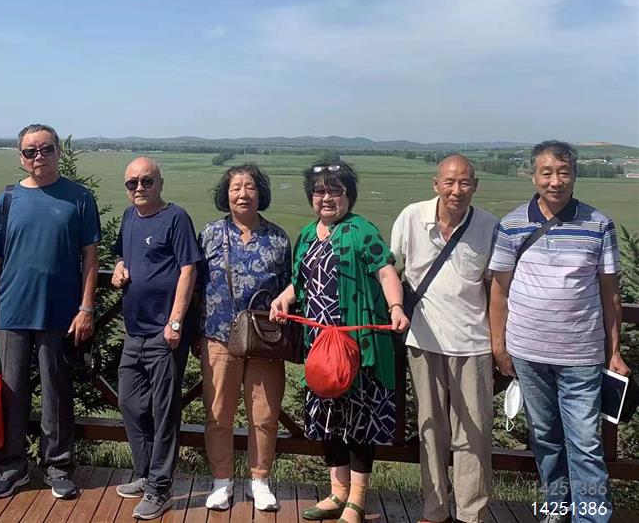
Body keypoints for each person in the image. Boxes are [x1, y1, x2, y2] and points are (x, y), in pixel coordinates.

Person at [489, 141, 627, 523]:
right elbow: (499, 291)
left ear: (574, 175)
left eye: (563, 172)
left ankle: (591, 517)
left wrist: (613, 351)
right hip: (527, 353)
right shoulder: (511, 224)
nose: (555, 181)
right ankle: (556, 506)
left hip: (582, 355)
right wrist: (499, 345)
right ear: (533, 176)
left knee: (585, 443)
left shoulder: (599, 224)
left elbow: (611, 293)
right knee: (545, 438)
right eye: (547, 172)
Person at [270, 162, 409, 523]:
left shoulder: (362, 230)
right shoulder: (306, 235)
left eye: (336, 190)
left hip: (357, 344)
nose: (327, 197)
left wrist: (395, 306)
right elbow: (302, 282)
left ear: (349, 195)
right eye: (320, 191)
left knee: (360, 420)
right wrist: (284, 298)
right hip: (320, 345)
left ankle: (357, 500)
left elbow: (385, 271)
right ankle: (337, 492)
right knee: (326, 415)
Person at [0, 124, 100, 501]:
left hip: (60, 312)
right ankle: (11, 466)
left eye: (46, 149)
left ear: (58, 152)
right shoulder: (8, 199)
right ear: (21, 157)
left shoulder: (79, 197)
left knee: (57, 393)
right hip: (12, 311)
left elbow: (91, 258)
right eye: (30, 151)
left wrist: (86, 307)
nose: (39, 157)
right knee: (10, 393)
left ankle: (58, 467)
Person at [390, 155, 499, 523]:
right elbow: (390, 269)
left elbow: (497, 290)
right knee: (429, 430)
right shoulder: (411, 217)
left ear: (475, 186)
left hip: (474, 343)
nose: (457, 190)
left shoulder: (489, 226)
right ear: (435, 184)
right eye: (449, 182)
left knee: (475, 434)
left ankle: (471, 514)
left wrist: (499, 343)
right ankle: (434, 510)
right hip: (423, 341)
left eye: (465, 182)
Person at [197, 164, 291, 512]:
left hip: (265, 340)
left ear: (260, 192)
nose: (242, 194)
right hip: (219, 336)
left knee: (265, 414)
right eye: (235, 187)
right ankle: (222, 481)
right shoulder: (210, 234)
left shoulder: (278, 238)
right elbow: (195, 285)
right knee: (218, 413)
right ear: (226, 194)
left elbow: (290, 286)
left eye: (250, 187)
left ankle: (260, 480)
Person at [111, 157, 201, 520]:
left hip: (165, 333)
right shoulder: (129, 216)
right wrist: (119, 267)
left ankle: (160, 488)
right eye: (132, 183)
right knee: (129, 402)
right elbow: (123, 254)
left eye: (146, 181)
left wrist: (176, 322)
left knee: (164, 412)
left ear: (160, 183)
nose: (139, 188)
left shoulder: (176, 217)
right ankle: (145, 472)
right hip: (134, 330)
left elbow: (188, 269)